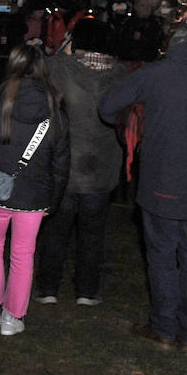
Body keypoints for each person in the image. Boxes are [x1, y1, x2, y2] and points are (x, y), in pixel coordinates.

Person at [98, 15, 187, 350]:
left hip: (160, 178)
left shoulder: (154, 73)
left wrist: (133, 120)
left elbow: (106, 107)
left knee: (162, 254)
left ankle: (163, 327)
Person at [0, 42, 70, 337]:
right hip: (35, 197)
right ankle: (12, 317)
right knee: (23, 255)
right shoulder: (55, 109)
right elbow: (61, 163)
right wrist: (53, 201)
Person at [34, 18, 127, 306]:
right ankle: (86, 291)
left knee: (55, 231)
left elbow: (42, 69)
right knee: (93, 233)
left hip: (65, 166)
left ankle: (48, 288)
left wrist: (64, 49)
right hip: (103, 166)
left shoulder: (60, 68)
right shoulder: (121, 74)